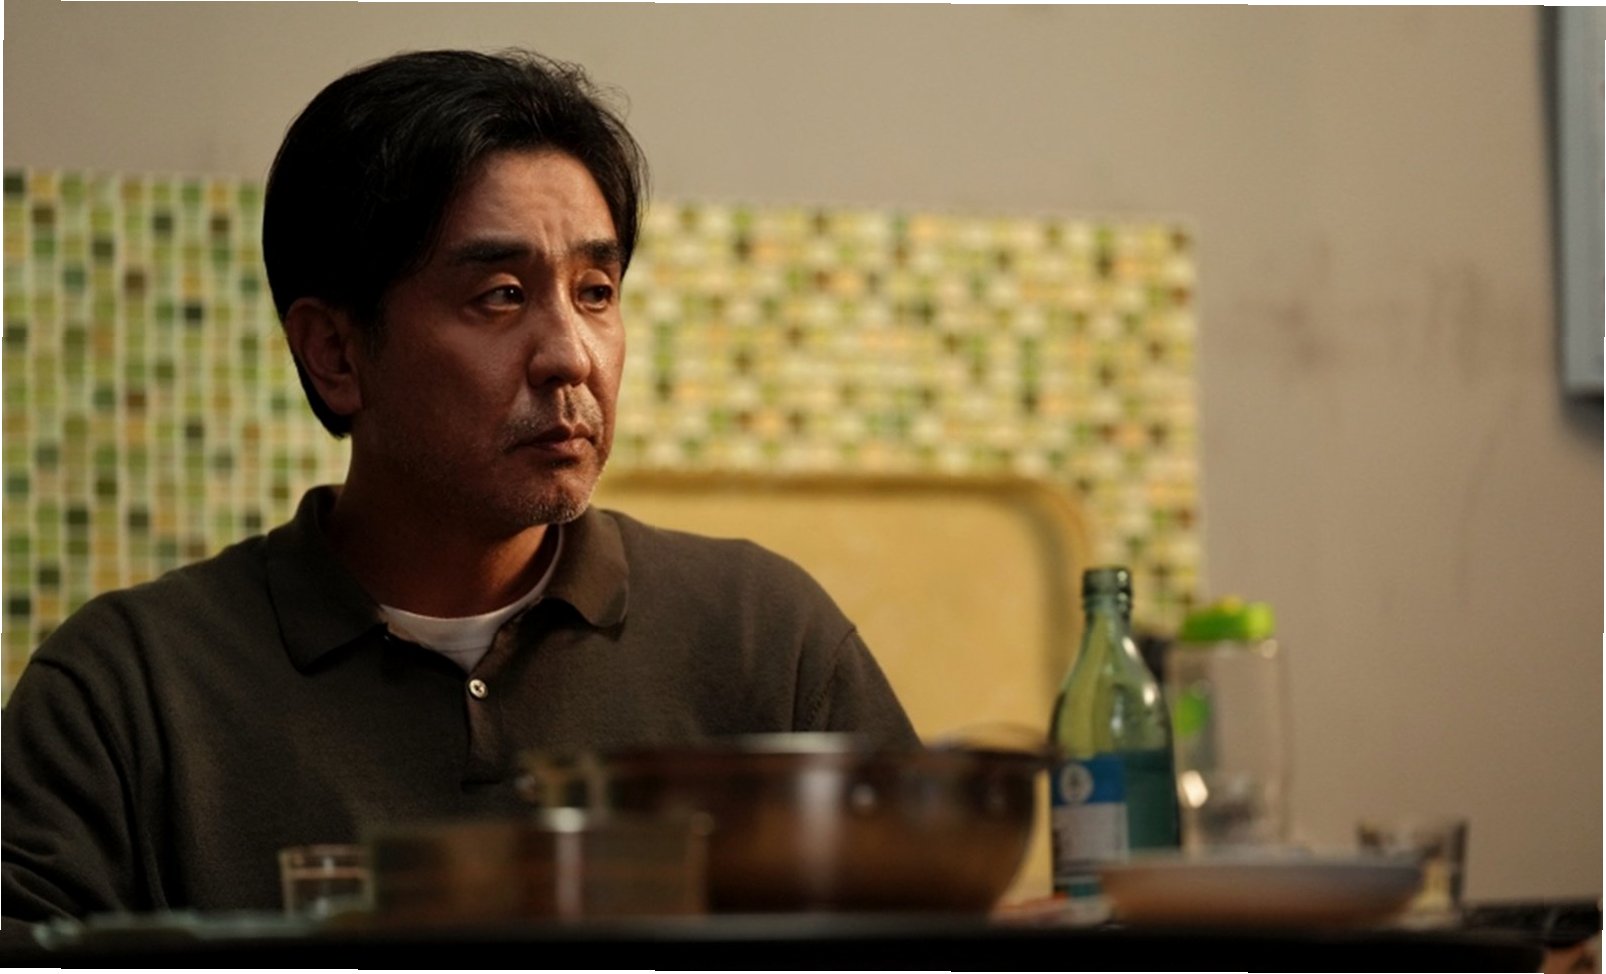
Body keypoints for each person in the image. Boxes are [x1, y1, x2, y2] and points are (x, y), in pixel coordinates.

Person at [1, 47, 917, 928]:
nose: (570, 357)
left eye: (596, 291)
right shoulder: (127, 693)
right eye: (501, 296)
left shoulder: (764, 641)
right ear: (335, 353)